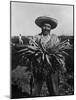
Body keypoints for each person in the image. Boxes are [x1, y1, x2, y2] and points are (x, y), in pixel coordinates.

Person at [28, 16, 66, 96]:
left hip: (52, 68)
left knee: (54, 90)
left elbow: (59, 52)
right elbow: (30, 51)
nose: (46, 28)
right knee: (36, 91)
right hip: (38, 68)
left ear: (51, 28)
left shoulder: (54, 38)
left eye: (48, 26)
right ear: (41, 27)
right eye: (44, 26)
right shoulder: (36, 38)